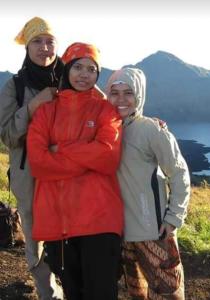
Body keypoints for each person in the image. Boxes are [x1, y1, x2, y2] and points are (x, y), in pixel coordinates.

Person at [26, 42, 124, 300]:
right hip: (59, 222)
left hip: (99, 220)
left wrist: (60, 149)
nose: (84, 74)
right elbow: (38, 161)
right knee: (73, 293)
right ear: (66, 69)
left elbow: (107, 157)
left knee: (101, 293)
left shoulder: (106, 110)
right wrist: (86, 152)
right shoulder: (47, 111)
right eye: (78, 67)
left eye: (91, 69)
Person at [105, 67, 191, 300]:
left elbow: (179, 173)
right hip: (122, 232)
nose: (121, 99)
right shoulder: (107, 129)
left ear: (139, 95)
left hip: (153, 230)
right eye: (115, 92)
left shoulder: (152, 130)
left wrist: (173, 218)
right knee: (136, 292)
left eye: (128, 93)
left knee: (167, 291)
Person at [0, 17, 64, 299]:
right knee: (36, 238)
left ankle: (71, 285)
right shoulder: (14, 86)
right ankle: (47, 292)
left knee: (69, 233)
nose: (44, 47)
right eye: (37, 41)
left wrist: (143, 120)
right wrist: (34, 106)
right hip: (29, 178)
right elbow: (8, 135)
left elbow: (108, 108)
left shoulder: (73, 78)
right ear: (27, 47)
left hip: (67, 174)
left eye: (50, 41)